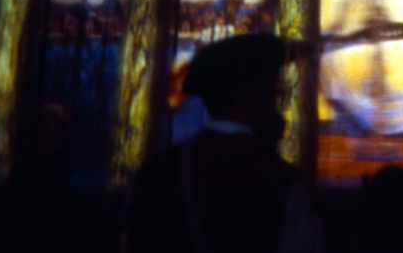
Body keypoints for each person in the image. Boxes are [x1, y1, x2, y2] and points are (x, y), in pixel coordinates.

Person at [123, 34, 323, 253]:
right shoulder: (284, 181)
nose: (278, 101)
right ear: (251, 95)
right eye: (275, 90)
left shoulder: (153, 173)